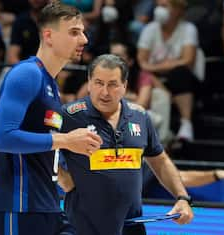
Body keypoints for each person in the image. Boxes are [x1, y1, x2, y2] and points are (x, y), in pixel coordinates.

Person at [0, 2, 102, 235]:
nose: (84, 40)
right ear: (48, 35)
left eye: (83, 32)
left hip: (48, 205)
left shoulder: (50, 83)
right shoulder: (27, 74)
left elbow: (42, 146)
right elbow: (2, 138)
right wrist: (66, 140)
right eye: (74, 32)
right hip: (20, 207)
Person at [58, 54, 193, 235]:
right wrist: (63, 178)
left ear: (125, 86)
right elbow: (37, 148)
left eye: (113, 84)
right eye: (98, 83)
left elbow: (160, 161)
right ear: (89, 83)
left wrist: (182, 197)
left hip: (132, 226)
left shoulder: (140, 116)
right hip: (83, 227)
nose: (105, 92)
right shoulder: (69, 116)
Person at [137, 0, 199, 141]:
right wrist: (166, 65)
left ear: (177, 9)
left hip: (179, 78)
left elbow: (188, 60)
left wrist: (155, 66)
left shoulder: (188, 29)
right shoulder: (150, 29)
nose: (159, 10)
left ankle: (186, 123)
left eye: (164, 6)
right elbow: (141, 62)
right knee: (143, 75)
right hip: (153, 78)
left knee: (180, 73)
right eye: (158, 6)